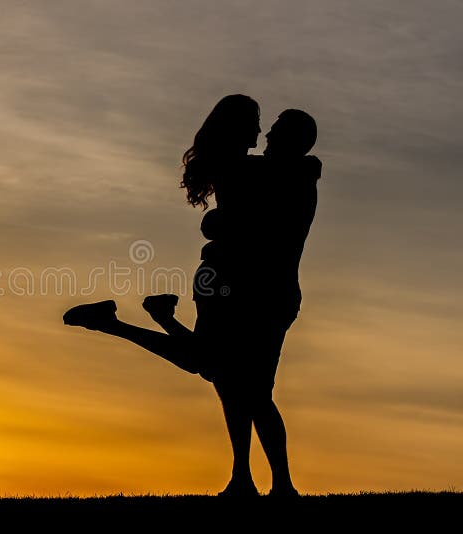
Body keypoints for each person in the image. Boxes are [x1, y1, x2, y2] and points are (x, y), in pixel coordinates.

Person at [63, 97, 321, 497]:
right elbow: (243, 217)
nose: (264, 133)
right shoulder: (257, 169)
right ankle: (259, 482)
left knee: (235, 381)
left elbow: (256, 223)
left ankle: (129, 321)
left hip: (259, 288)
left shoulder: (287, 173)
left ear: (294, 139)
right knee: (237, 383)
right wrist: (221, 223)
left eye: (272, 128)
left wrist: (220, 223)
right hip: (232, 282)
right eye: (258, 125)